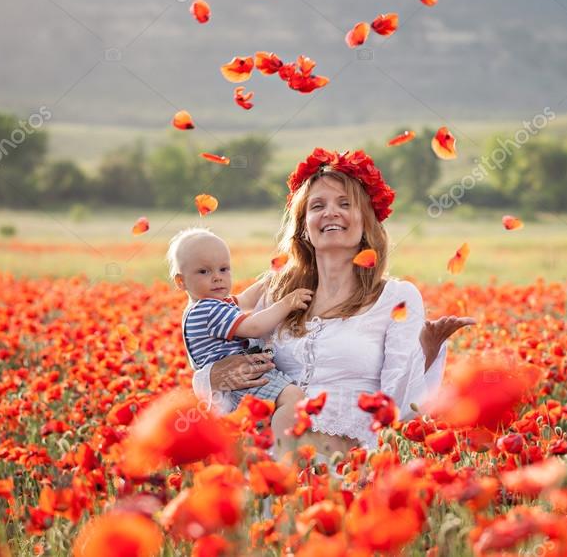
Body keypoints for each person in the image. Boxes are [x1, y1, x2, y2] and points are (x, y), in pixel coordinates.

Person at [192, 148, 474, 454]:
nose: (331, 213)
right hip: (274, 453)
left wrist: (424, 355)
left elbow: (399, 407)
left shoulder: (397, 298)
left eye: (345, 203)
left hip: (348, 464)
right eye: (317, 206)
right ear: (304, 227)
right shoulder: (276, 292)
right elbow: (216, 343)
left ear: (367, 222)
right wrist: (210, 378)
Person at [168, 227, 311, 443]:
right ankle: (284, 450)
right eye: (204, 272)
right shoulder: (207, 310)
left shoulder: (212, 305)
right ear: (181, 281)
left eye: (223, 269)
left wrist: (273, 278)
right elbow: (253, 328)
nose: (217, 278)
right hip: (241, 384)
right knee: (293, 397)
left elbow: (245, 300)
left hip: (236, 384)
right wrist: (286, 303)